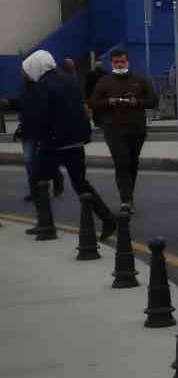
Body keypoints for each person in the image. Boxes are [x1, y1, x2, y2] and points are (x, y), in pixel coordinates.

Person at [17, 50, 117, 241]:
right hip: (75, 140)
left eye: (27, 69)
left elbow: (41, 116)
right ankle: (108, 219)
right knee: (80, 182)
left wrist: (34, 136)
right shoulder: (70, 80)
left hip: (54, 141)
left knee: (38, 180)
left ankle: (46, 226)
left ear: (36, 67)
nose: (26, 74)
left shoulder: (42, 86)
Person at [90, 47, 159, 213]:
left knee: (132, 163)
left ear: (127, 61)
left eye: (122, 61)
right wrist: (109, 102)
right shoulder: (104, 81)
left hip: (137, 129)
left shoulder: (141, 80)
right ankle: (125, 200)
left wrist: (138, 102)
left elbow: (153, 101)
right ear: (111, 63)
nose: (120, 64)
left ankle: (129, 195)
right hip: (113, 130)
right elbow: (94, 102)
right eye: (116, 62)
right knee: (122, 162)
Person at [13, 62, 66, 203]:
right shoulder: (24, 87)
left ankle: (57, 177)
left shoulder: (43, 85)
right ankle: (34, 191)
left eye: (24, 71)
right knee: (29, 161)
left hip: (43, 131)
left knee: (45, 160)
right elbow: (21, 104)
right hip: (27, 131)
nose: (22, 73)